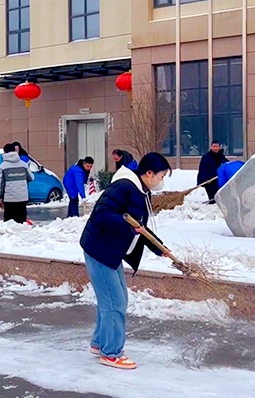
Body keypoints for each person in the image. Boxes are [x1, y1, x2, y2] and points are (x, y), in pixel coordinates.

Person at [80, 152, 173, 370]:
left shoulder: (140, 190)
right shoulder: (123, 187)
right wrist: (128, 226)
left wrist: (159, 248)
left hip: (111, 251)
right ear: (149, 173)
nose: (162, 181)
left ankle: (100, 343)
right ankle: (111, 353)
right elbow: (102, 214)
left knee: (115, 298)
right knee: (115, 301)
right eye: (161, 176)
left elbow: (140, 227)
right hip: (100, 249)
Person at [0, 143, 34, 223]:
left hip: (9, 198)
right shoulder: (23, 165)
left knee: (9, 222)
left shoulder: (3, 166)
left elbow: (1, 184)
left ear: (5, 152)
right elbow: (31, 178)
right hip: (22, 197)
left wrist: (0, 198)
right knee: (21, 222)